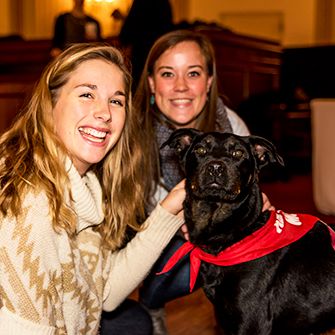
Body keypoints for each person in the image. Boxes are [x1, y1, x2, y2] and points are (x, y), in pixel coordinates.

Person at [0, 43, 186, 334]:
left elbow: (106, 291)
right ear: (51, 104)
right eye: (87, 94)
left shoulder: (83, 183)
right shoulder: (32, 203)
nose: (104, 113)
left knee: (135, 322)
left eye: (116, 101)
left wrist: (170, 210)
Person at [133, 29, 273, 334]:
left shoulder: (234, 127)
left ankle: (230, 311)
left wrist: (255, 211)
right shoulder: (129, 135)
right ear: (152, 83)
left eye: (193, 73)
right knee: (160, 280)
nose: (181, 86)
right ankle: (151, 305)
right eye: (168, 74)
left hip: (216, 239)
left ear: (209, 81)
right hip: (144, 243)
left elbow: (249, 196)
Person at [118, 0, 174, 90]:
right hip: (161, 51)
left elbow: (127, 31)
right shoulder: (165, 3)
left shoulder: (140, 2)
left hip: (141, 52)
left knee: (141, 87)